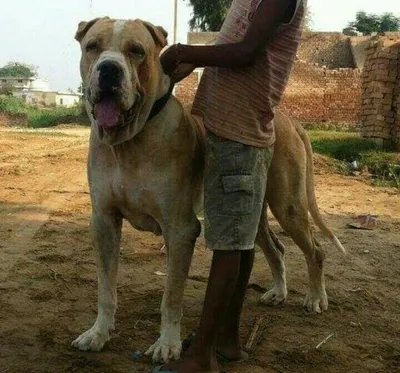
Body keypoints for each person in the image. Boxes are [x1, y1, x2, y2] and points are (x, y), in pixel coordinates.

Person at [153, 1, 306, 372]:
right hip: (233, 130)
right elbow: (236, 43)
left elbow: (247, 51)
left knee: (228, 248)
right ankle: (227, 339)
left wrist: (184, 51)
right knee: (240, 240)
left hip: (241, 135)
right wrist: (196, 63)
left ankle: (202, 355)